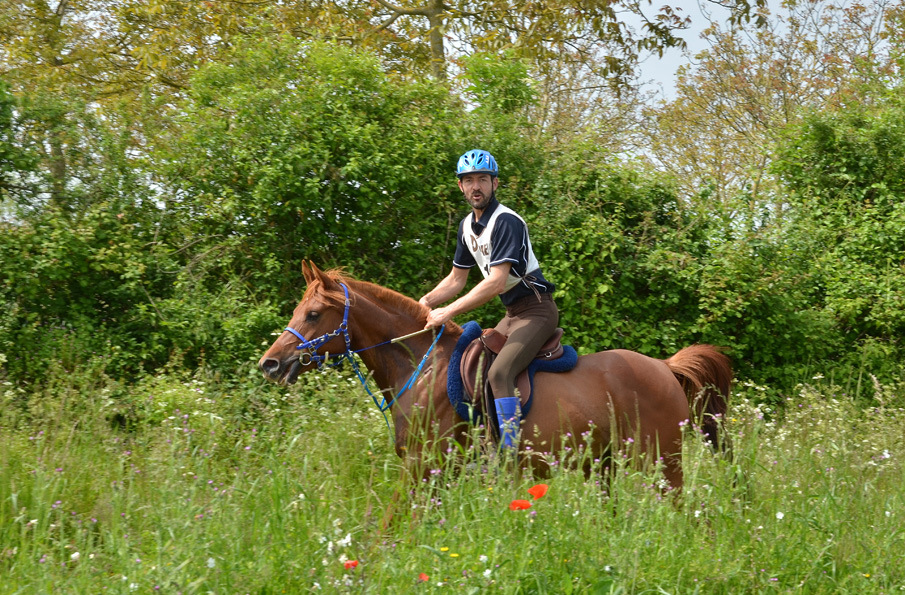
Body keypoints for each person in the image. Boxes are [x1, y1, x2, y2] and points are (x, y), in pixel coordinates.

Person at [419, 149, 559, 449]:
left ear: (494, 183)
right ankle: (483, 443)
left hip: (537, 311)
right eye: (469, 180)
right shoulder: (466, 227)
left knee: (499, 372)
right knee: (476, 366)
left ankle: (510, 453)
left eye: (482, 179)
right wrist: (425, 302)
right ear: (460, 186)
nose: (476, 186)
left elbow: (496, 282)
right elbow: (456, 279)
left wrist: (447, 312)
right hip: (512, 314)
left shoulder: (506, 221)